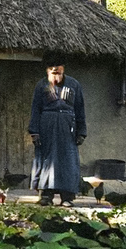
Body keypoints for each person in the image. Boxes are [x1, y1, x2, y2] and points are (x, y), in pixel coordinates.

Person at [28, 58, 87, 206]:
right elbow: (35, 109)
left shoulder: (74, 85)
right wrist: (34, 131)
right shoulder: (41, 85)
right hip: (46, 127)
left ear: (63, 67)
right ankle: (45, 196)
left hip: (68, 129)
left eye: (58, 65)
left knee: (68, 161)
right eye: (51, 66)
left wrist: (81, 131)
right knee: (46, 159)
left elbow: (80, 109)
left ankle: (67, 197)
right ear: (47, 69)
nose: (55, 68)